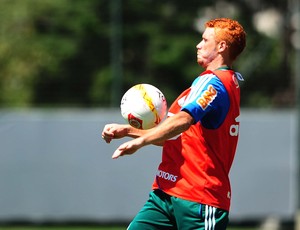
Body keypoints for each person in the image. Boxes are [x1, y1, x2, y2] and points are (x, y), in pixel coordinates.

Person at [102, 18, 246, 230]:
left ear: (222, 46)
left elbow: (183, 120)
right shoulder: (204, 85)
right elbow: (174, 132)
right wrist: (129, 131)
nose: (198, 44)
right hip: (165, 194)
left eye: (205, 39)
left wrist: (141, 141)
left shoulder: (213, 82)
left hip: (199, 200)